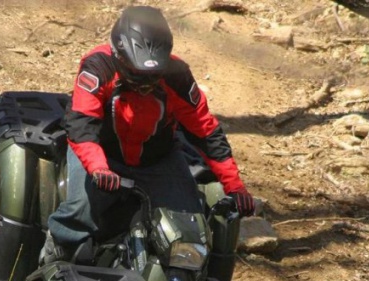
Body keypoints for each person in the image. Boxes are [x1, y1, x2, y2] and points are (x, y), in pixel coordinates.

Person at [42, 5, 254, 264]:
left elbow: (206, 132)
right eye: (137, 76)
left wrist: (235, 187)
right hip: (101, 156)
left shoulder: (178, 77)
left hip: (159, 159)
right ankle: (54, 256)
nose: (145, 85)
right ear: (119, 56)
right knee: (79, 210)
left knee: (192, 228)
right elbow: (81, 123)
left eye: (154, 76)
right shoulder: (97, 67)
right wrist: (99, 168)